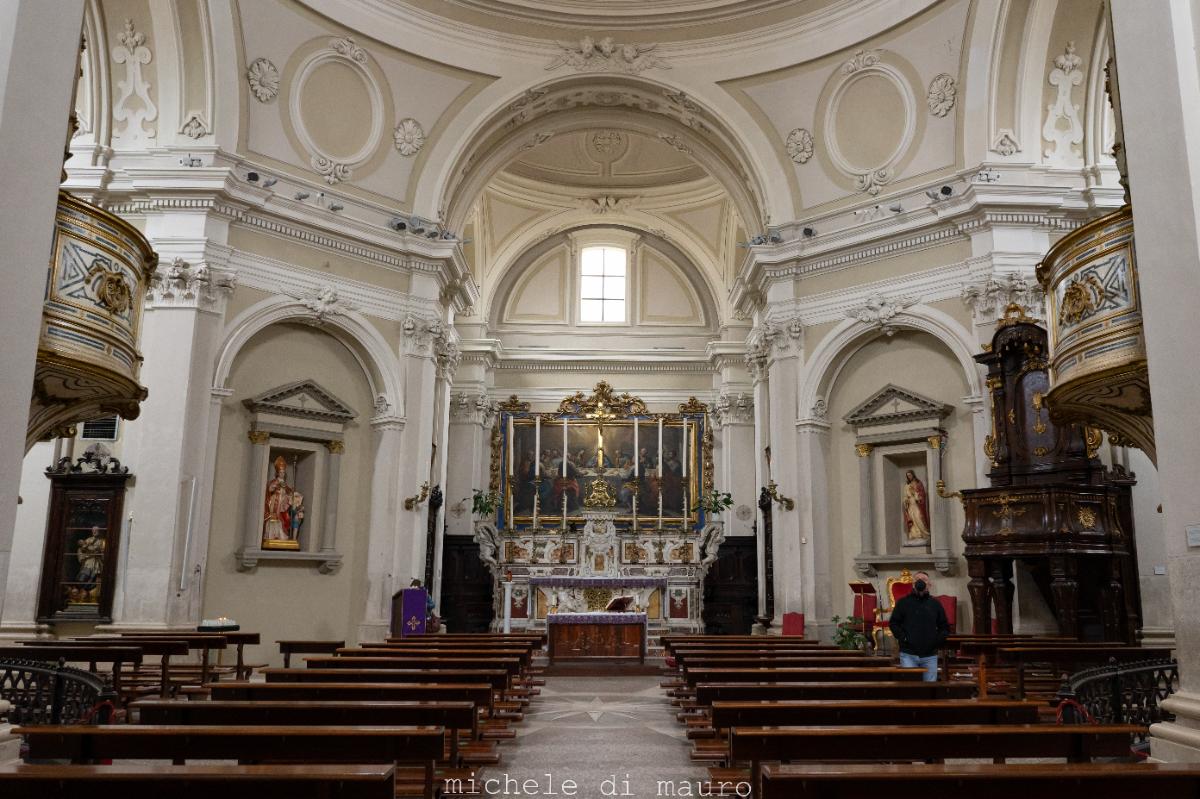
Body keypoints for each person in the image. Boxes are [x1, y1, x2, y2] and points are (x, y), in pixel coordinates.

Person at [887, 571, 949, 681]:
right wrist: (903, 637)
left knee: (930, 689)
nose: (920, 582)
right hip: (908, 654)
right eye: (917, 580)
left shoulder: (935, 604)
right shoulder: (903, 603)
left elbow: (944, 626)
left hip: (930, 655)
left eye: (924, 579)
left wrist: (936, 641)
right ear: (913, 584)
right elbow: (893, 623)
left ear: (929, 584)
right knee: (911, 689)